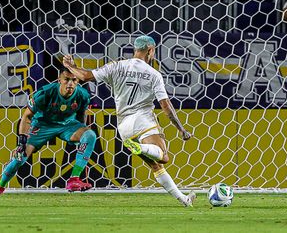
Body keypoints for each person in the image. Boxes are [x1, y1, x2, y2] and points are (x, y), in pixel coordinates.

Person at [62, 35, 196, 207]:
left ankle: (183, 200)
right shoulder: (154, 74)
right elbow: (166, 105)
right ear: (151, 50)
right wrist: (181, 129)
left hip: (124, 126)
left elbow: (86, 76)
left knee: (156, 166)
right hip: (143, 121)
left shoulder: (117, 66)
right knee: (163, 157)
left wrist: (71, 67)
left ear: (135, 49)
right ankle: (141, 147)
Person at [0, 68, 96, 194]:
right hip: (42, 125)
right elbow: (27, 116)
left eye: (74, 80)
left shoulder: (83, 95)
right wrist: (22, 142)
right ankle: (0, 187)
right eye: (67, 79)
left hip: (67, 125)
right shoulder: (46, 93)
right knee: (20, 157)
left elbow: (81, 116)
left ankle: (74, 179)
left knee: (89, 135)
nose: (70, 84)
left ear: (78, 81)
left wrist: (81, 134)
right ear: (59, 80)